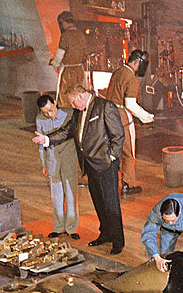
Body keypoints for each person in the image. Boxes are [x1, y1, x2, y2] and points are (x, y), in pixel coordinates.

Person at [32, 84, 125, 254]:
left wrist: (111, 157)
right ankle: (105, 233)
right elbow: (66, 131)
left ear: (81, 96)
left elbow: (118, 135)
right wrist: (46, 139)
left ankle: (118, 241)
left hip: (105, 164)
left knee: (111, 203)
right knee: (98, 201)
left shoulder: (104, 106)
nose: (72, 106)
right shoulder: (78, 112)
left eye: (74, 103)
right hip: (90, 165)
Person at [104, 49, 154, 196]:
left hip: (109, 114)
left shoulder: (118, 71)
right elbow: (130, 104)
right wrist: (146, 117)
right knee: (128, 152)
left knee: (112, 150)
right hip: (122, 117)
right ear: (137, 62)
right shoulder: (131, 78)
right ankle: (127, 184)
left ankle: (109, 183)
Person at [35, 93, 79, 240]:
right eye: (45, 113)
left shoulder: (69, 114)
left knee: (71, 194)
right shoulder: (40, 120)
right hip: (53, 161)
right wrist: (44, 164)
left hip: (68, 159)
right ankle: (58, 228)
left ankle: (71, 228)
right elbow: (41, 145)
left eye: (51, 110)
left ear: (55, 102)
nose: (49, 115)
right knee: (56, 196)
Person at [141, 194, 183, 272]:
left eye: (173, 220)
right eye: (167, 220)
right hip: (167, 230)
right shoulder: (156, 211)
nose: (170, 223)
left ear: (179, 212)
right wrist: (157, 258)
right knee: (165, 256)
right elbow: (148, 234)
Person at [50, 11, 87, 109]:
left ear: (63, 22)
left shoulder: (66, 36)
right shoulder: (81, 34)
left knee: (66, 98)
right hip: (79, 70)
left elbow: (59, 55)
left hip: (68, 72)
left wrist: (55, 64)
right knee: (78, 96)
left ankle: (64, 117)